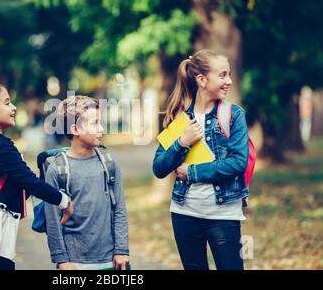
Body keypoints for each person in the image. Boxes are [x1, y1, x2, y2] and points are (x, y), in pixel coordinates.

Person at [0, 81, 73, 270]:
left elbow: (16, 187)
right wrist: (64, 201)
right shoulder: (0, 146)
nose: (13, 107)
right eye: (6, 103)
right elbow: (29, 182)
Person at [153, 50, 249, 270]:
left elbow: (238, 162)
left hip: (224, 215)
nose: (229, 81)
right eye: (223, 75)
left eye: (229, 75)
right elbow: (158, 167)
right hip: (184, 214)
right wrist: (182, 143)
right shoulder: (180, 118)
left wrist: (192, 172)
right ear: (202, 80)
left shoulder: (233, 115)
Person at [44, 96, 130, 270]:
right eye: (95, 123)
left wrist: (121, 250)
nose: (101, 128)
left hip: (110, 260)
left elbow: (119, 209)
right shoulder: (57, 169)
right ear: (75, 129)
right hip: (74, 263)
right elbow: (52, 220)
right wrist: (62, 260)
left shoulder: (109, 163)